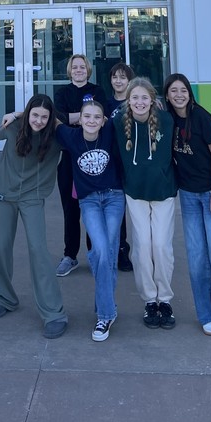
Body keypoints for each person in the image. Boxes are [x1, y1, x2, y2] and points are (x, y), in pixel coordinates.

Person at [0, 95, 68, 338]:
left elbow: (81, 128)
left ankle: (54, 312)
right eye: (34, 115)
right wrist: (16, 115)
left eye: (45, 117)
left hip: (33, 198)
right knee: (0, 247)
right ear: (27, 114)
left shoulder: (56, 136)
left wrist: (24, 113)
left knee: (38, 250)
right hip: (4, 194)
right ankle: (5, 297)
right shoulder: (12, 127)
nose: (39, 121)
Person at [164, 73, 211, 337]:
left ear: (189, 92)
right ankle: (206, 314)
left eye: (183, 90)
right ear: (167, 95)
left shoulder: (202, 117)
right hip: (188, 194)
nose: (179, 95)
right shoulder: (168, 120)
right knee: (196, 257)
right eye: (173, 91)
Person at [55, 95, 125, 341]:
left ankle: (104, 314)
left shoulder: (109, 133)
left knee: (107, 252)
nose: (92, 121)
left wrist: (154, 102)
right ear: (80, 119)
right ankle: (107, 310)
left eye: (97, 117)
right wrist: (18, 114)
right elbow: (46, 117)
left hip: (115, 198)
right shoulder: (71, 136)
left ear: (103, 120)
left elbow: (130, 110)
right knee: (101, 252)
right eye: (87, 116)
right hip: (89, 201)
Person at [112, 77, 177, 330]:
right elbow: (90, 125)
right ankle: (150, 300)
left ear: (153, 100)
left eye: (144, 97)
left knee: (161, 246)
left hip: (164, 192)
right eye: (134, 97)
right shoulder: (118, 123)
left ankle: (165, 299)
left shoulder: (167, 121)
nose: (139, 102)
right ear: (128, 100)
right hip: (135, 192)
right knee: (142, 248)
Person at [53, 53, 102, 277]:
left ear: (88, 69)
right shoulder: (62, 93)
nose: (79, 70)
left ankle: (94, 254)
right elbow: (59, 118)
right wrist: (86, 117)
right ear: (70, 70)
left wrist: (76, 118)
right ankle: (70, 255)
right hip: (69, 160)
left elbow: (103, 118)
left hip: (93, 158)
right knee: (70, 209)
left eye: (82, 67)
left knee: (92, 207)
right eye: (75, 67)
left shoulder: (98, 91)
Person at [105, 62, 135, 271]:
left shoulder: (137, 102)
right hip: (111, 163)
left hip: (132, 162)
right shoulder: (105, 104)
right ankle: (120, 251)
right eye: (115, 77)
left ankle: (142, 251)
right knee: (118, 210)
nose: (118, 81)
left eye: (123, 77)